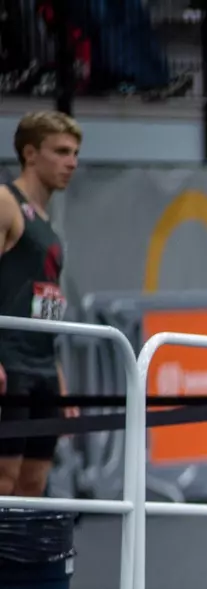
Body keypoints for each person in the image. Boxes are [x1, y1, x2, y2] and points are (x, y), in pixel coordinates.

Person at [0, 111, 80, 500]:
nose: (72, 163)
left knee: (34, 485)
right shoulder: (5, 202)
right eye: (62, 152)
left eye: (76, 153)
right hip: (9, 365)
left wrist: (59, 380)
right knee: (5, 480)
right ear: (31, 154)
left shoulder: (47, 224)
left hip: (42, 368)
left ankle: (22, 565)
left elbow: (47, 304)